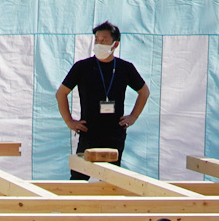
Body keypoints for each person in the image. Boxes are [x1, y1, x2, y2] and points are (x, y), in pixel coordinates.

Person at [56, 21, 150, 179]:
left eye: (104, 40)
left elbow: (144, 92)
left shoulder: (125, 68)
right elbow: (61, 93)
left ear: (115, 44)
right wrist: (69, 121)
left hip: (115, 132)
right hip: (88, 131)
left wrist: (133, 116)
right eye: (97, 39)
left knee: (111, 180)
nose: (99, 43)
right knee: (79, 177)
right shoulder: (82, 67)